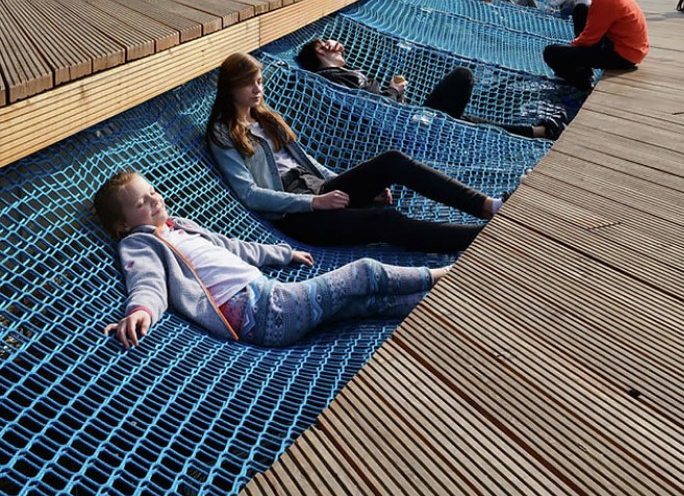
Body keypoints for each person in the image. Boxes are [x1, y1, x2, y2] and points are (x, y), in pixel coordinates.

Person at [95, 170, 450, 350]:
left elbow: (234, 247)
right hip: (256, 312)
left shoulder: (180, 227)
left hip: (268, 295)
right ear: (124, 224)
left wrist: (284, 253)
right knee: (363, 272)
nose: (155, 199)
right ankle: (444, 276)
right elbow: (147, 281)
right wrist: (140, 310)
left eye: (153, 191)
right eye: (142, 202)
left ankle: (439, 304)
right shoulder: (140, 244)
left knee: (366, 302)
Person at [206, 53, 506, 253]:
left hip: (319, 188)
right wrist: (313, 202)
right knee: (384, 222)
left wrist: (355, 187)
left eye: (259, 81)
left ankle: (487, 206)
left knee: (392, 161)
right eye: (248, 82)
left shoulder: (264, 117)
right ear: (230, 86)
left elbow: (307, 162)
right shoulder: (223, 132)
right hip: (296, 215)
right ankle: (481, 239)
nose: (257, 89)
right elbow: (249, 193)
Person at [296, 38, 565, 141]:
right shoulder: (331, 78)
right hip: (405, 129)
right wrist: (393, 90)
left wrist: (396, 93)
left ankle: (537, 132)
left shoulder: (342, 72)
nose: (337, 45)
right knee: (462, 76)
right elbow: (374, 107)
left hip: (407, 118)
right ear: (320, 52)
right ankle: (538, 131)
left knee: (461, 120)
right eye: (326, 45)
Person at [543, 0, 650, 92]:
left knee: (552, 52)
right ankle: (584, 69)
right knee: (581, 9)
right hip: (632, 50)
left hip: (624, 56)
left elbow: (589, 39)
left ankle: (583, 84)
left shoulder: (605, 0)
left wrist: (570, 51)